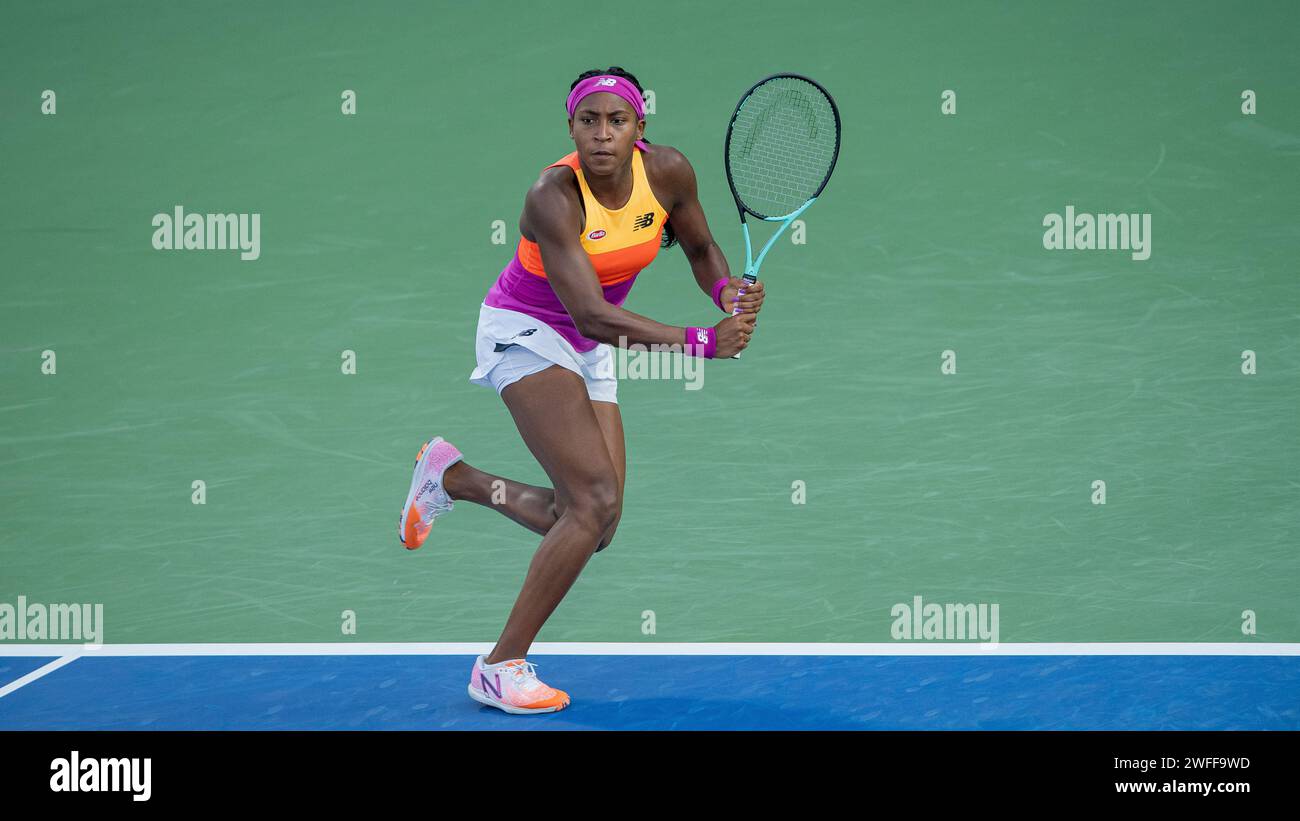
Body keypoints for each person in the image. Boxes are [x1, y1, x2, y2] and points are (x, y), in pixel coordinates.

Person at [397, 66, 764, 714]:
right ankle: (498, 665)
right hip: (525, 331)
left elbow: (701, 246)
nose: (601, 135)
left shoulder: (670, 174)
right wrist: (703, 341)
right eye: (588, 121)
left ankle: (454, 478)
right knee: (592, 499)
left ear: (639, 130)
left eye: (616, 121)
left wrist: (723, 290)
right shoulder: (553, 195)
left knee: (598, 521)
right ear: (571, 129)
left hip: (589, 345)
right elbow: (592, 313)